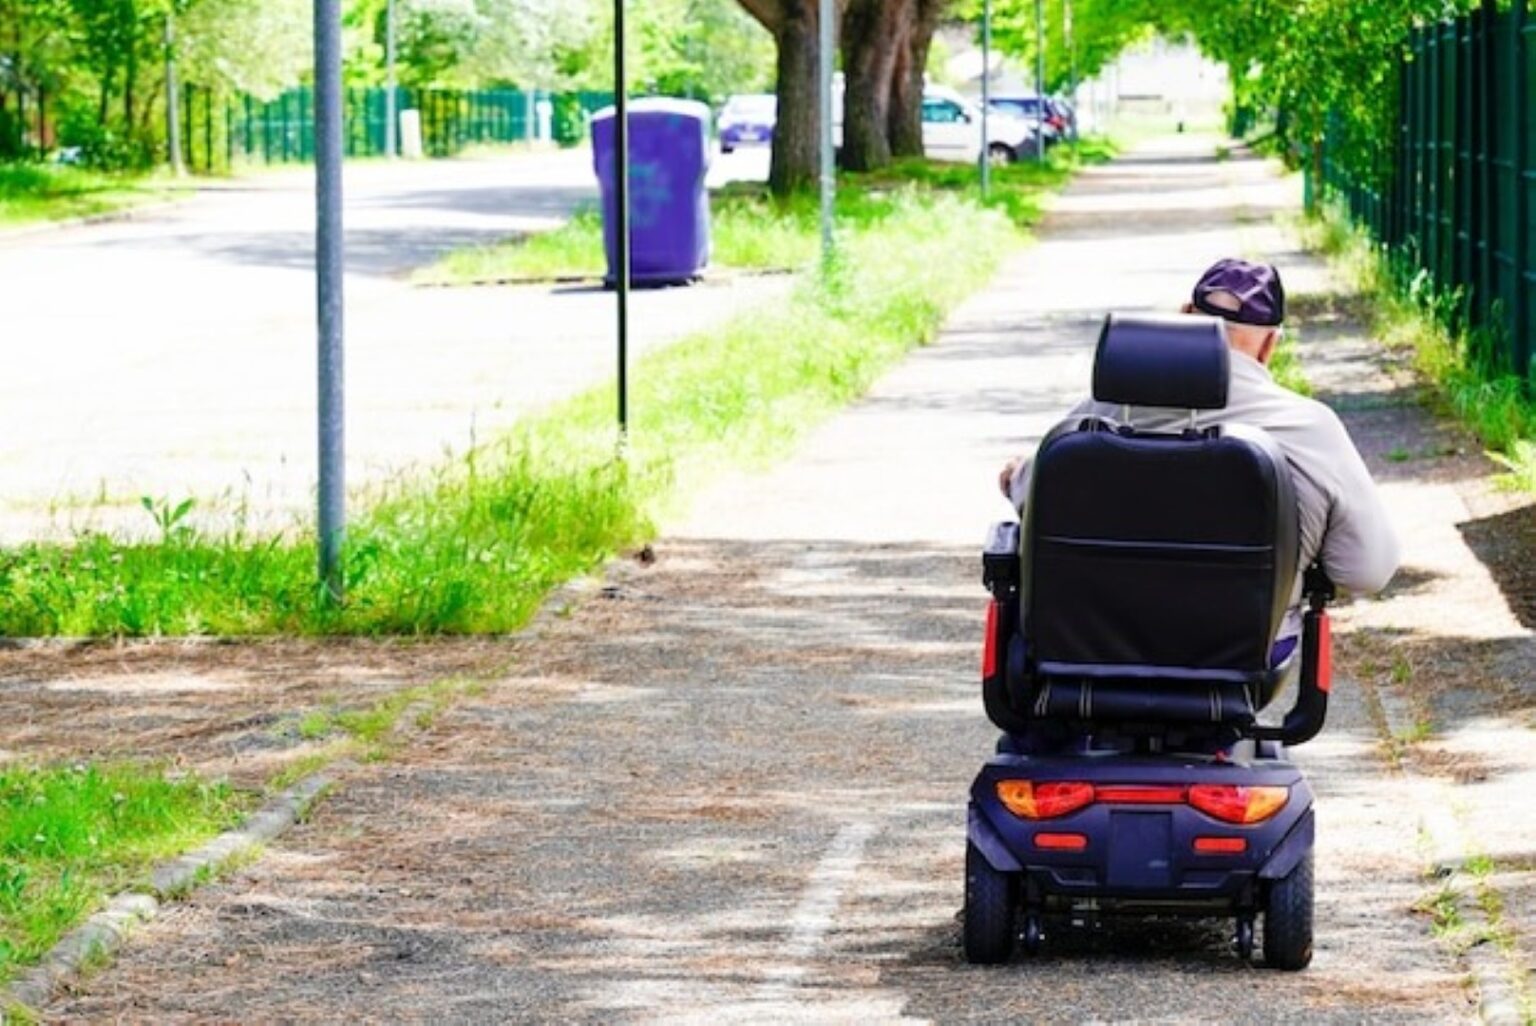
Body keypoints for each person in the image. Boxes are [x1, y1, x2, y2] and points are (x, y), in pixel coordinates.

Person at [999, 258, 1400, 652]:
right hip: (1244, 654)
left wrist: (1015, 474)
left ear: (1186, 318)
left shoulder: (1110, 406)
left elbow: (1031, 494)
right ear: (1270, 345)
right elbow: (1368, 571)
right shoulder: (1312, 429)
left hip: (1088, 646)